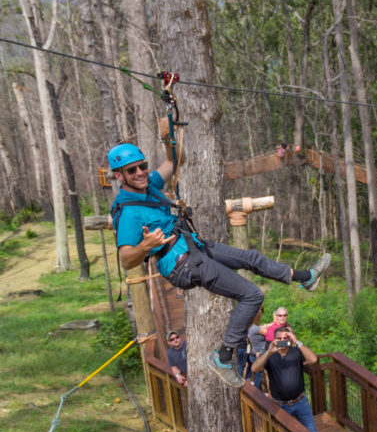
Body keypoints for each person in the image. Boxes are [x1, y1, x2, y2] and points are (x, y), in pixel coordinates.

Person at [107, 103, 331, 390]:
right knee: (251, 295)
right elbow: (126, 260)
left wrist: (167, 139)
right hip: (182, 265)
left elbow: (175, 161)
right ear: (119, 175)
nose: (140, 172)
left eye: (141, 166)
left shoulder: (149, 184)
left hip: (194, 247)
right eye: (131, 170)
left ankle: (306, 278)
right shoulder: (127, 213)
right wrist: (145, 245)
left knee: (250, 257)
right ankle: (223, 357)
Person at [251, 325, 319, 432]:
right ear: (274, 340)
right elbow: (254, 368)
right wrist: (269, 352)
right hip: (280, 405)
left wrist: (297, 341)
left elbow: (313, 359)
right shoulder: (270, 355)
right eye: (279, 339)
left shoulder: (296, 351)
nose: (283, 341)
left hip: (300, 402)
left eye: (285, 338)